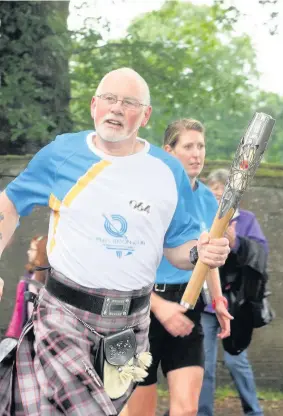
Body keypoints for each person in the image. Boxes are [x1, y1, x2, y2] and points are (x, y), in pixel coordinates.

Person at [0, 68, 230, 416]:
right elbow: (9, 202)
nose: (117, 108)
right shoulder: (63, 153)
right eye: (109, 98)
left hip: (129, 329)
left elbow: (178, 249)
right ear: (94, 105)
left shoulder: (168, 171)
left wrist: (201, 252)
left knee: (106, 407)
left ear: (146, 114)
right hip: (64, 315)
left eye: (130, 102)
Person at [124, 119, 233, 416]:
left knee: (186, 410)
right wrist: (157, 306)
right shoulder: (149, 198)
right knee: (138, 412)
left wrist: (218, 300)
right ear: (169, 151)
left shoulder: (209, 200)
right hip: (142, 311)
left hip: (187, 307)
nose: (196, 153)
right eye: (188, 146)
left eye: (201, 146)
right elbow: (125, 264)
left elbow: (206, 257)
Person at [198, 168, 267, 416]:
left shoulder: (246, 220)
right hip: (206, 305)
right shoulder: (202, 219)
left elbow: (260, 255)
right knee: (204, 364)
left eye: (224, 194)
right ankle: (202, 412)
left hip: (236, 305)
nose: (219, 199)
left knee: (236, 360)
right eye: (214, 194)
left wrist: (237, 242)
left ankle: (254, 412)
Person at [4, 235, 48, 339]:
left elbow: (18, 314)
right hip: (34, 334)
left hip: (35, 334)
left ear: (41, 254)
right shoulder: (28, 280)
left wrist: (11, 336)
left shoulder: (31, 282)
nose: (28, 252)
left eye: (32, 249)